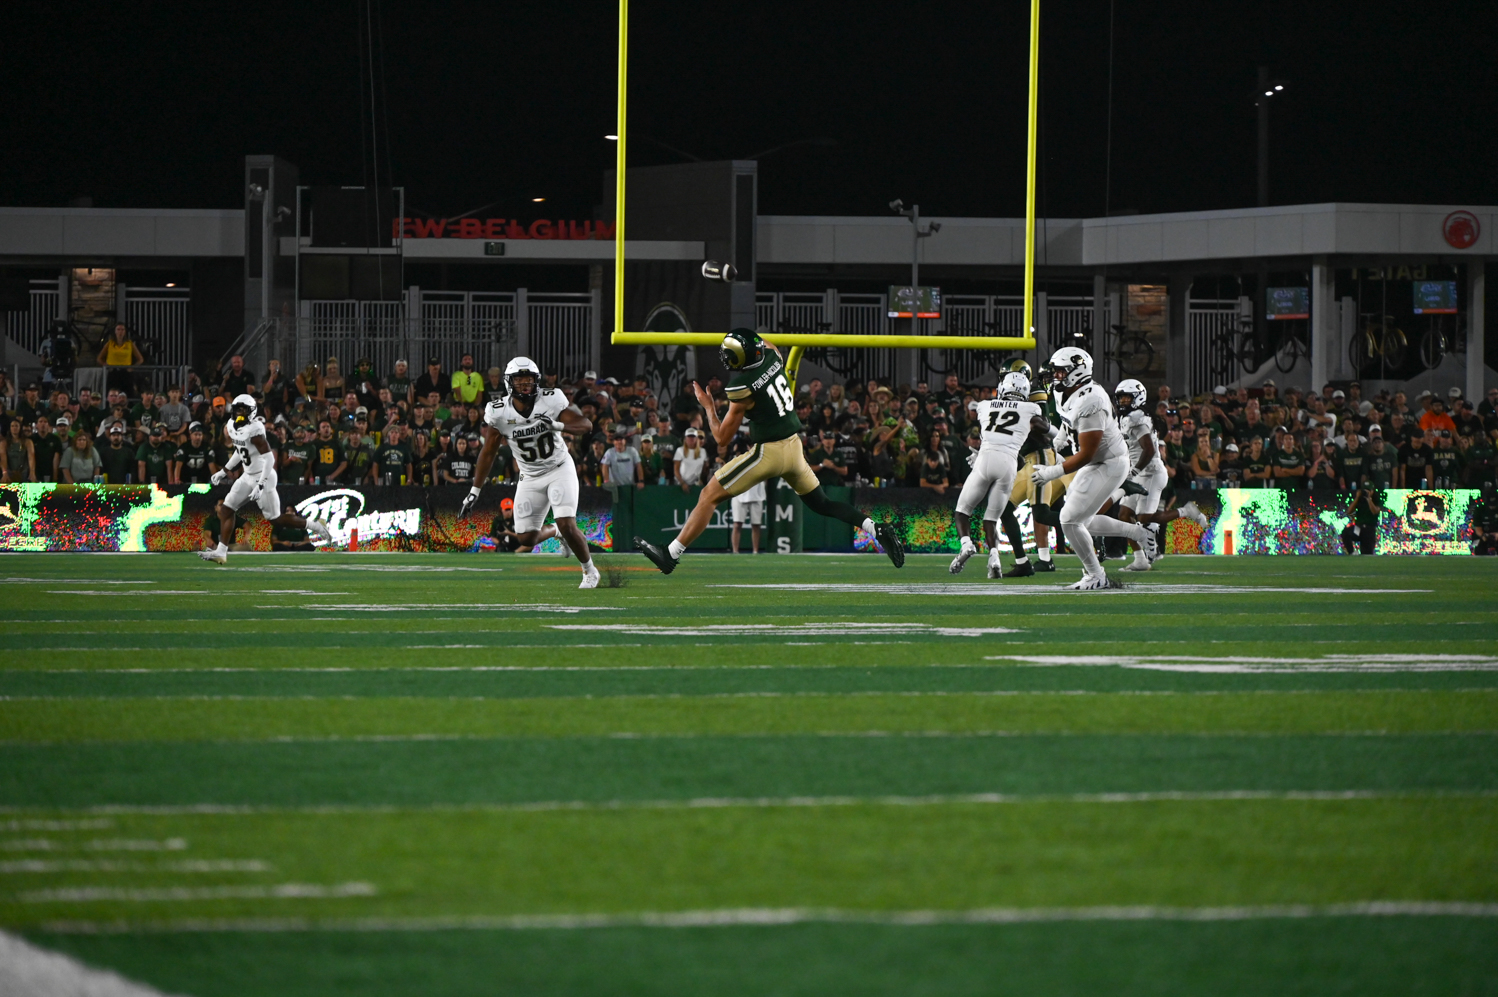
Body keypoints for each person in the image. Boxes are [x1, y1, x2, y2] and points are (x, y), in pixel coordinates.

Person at [633, 328, 904, 575]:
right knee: (822, 503)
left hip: (770, 453)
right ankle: (876, 528)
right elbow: (764, 342)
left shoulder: (742, 386)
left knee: (709, 495)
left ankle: (671, 554)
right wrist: (747, 338)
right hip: (794, 447)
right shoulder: (774, 358)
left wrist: (707, 406)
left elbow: (721, 438)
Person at [462, 356, 601, 589]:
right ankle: (557, 532)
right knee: (526, 537)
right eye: (520, 380)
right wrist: (475, 490)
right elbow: (488, 453)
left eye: (529, 380)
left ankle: (589, 571)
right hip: (529, 476)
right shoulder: (499, 412)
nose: (525, 385)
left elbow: (586, 425)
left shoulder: (550, 399)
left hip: (559, 469)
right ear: (509, 383)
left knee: (567, 522)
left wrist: (557, 425)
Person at [1029, 347, 1156, 590]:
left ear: (1077, 371)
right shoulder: (1065, 391)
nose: (1054, 377)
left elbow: (1087, 454)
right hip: (1097, 459)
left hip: (1109, 462)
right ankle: (1137, 533)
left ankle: (1096, 575)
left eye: (1059, 372)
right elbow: (1069, 421)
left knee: (1069, 520)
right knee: (1081, 521)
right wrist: (1061, 438)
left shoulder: (1092, 400)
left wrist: (1052, 473)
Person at [198, 396, 332, 564]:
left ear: (251, 412)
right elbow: (241, 451)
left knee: (275, 518)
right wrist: (224, 471)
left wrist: (260, 485)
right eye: (237, 409)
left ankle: (317, 526)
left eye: (243, 410)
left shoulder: (255, 430)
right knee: (226, 510)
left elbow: (269, 459)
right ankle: (221, 552)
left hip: (264, 475)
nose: (239, 413)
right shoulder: (231, 426)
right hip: (247, 475)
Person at [950, 371, 1042, 576]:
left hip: (985, 458)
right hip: (1009, 463)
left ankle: (966, 544)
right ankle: (994, 559)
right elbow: (1043, 428)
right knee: (991, 518)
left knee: (963, 511)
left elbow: (973, 409)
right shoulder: (1031, 408)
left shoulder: (985, 404)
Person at [97, 322, 144, 395]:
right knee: (112, 393)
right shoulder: (110, 343)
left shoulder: (129, 343)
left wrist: (132, 367)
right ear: (115, 331)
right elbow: (99, 358)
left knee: (128, 393)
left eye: (122, 329)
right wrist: (106, 365)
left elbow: (140, 359)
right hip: (113, 371)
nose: (120, 332)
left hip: (126, 372)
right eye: (118, 329)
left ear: (125, 332)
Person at [730, 477, 767, 554]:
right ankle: (735, 551)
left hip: (757, 494)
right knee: (737, 524)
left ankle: (755, 551)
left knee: (756, 525)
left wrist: (763, 484)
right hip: (739, 494)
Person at [2, 417, 36, 483]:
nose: (14, 428)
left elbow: (31, 457)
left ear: (20, 427)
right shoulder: (4, 443)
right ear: (10, 428)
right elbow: (3, 458)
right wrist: (5, 473)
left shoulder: (28, 442)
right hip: (9, 471)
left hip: (24, 472)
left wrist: (32, 472)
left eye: (16, 426)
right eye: (12, 426)